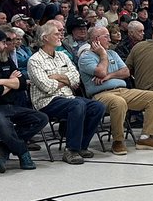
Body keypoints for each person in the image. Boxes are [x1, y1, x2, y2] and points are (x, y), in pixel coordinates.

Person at [76, 26, 153, 155]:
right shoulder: (86, 58)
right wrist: (102, 55)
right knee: (118, 102)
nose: (109, 39)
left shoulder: (113, 53)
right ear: (96, 40)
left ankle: (146, 138)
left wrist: (110, 75)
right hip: (101, 94)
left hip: (122, 90)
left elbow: (126, 72)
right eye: (106, 36)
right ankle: (118, 141)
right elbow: (100, 72)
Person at [0, 29, 48, 173]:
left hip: (8, 106)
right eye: (3, 42)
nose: (6, 46)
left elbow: (23, 83)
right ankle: (23, 153)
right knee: (3, 124)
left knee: (41, 118)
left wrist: (3, 82)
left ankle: (3, 147)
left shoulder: (6, 61)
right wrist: (12, 82)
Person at [26, 24, 105, 164]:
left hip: (68, 97)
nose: (60, 36)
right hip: (46, 101)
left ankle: (81, 145)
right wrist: (66, 80)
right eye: (56, 34)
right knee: (77, 104)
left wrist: (57, 77)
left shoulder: (62, 56)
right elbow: (46, 86)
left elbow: (76, 78)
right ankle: (71, 150)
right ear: (45, 38)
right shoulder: (34, 60)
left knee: (98, 106)